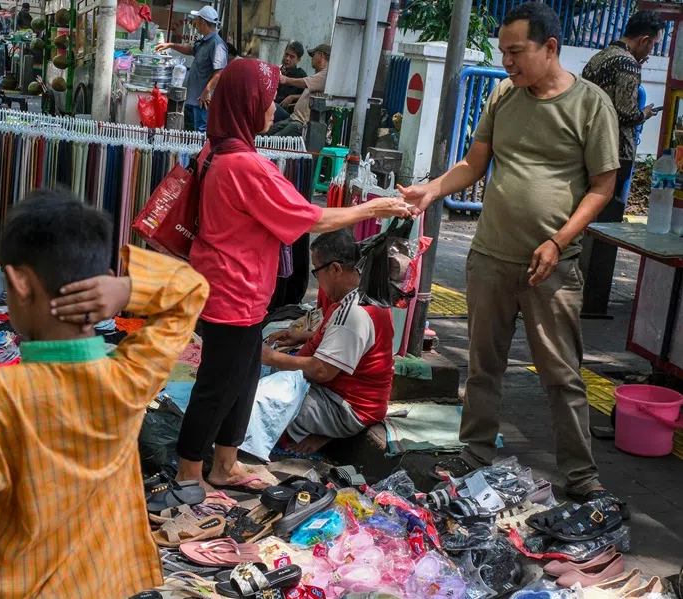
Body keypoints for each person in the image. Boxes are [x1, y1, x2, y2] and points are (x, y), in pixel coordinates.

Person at [0, 190, 208, 598]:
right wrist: (127, 290)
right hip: (99, 587)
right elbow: (191, 290)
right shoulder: (130, 378)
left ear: (20, 284)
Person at [398, 3, 620, 503]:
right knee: (484, 365)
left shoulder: (592, 105)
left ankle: (581, 475)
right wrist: (431, 189)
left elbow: (603, 188)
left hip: (553, 266)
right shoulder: (503, 95)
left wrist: (557, 240)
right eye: (503, 52)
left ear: (551, 48)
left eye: (516, 52)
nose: (508, 63)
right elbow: (476, 162)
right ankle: (475, 452)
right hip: (491, 257)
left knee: (561, 374)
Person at [156, 58, 411, 491]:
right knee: (218, 387)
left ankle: (225, 464)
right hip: (232, 292)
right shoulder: (244, 165)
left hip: (237, 289)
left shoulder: (218, 150)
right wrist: (375, 208)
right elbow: (307, 217)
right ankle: (189, 476)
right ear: (247, 103)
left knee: (242, 377)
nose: (274, 107)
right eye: (268, 99)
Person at [262, 229, 395, 454]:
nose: (318, 279)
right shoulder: (361, 295)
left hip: (346, 407)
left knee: (260, 398)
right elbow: (339, 339)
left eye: (317, 271)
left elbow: (323, 370)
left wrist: (273, 357)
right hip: (342, 395)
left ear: (335, 269)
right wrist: (302, 337)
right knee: (264, 376)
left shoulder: (354, 312)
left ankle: (325, 432)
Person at [580, 11, 663, 315]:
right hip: (613, 151)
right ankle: (592, 300)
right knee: (605, 226)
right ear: (643, 39)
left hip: (586, 148)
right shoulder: (627, 63)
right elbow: (626, 112)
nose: (650, 52)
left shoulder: (600, 57)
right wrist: (646, 114)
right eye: (652, 46)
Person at [155, 6, 228, 132]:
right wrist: (170, 45)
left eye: (197, 20)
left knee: (200, 135)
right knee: (190, 136)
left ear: (203, 22)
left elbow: (220, 72)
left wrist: (207, 91)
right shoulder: (205, 41)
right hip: (192, 100)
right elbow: (190, 49)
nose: (195, 24)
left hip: (202, 102)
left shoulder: (217, 44)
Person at [268, 43, 330, 137]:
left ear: (321, 55)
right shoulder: (318, 75)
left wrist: (286, 80)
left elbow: (304, 82)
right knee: (264, 135)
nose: (312, 58)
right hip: (293, 118)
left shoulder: (326, 75)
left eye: (314, 55)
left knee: (273, 141)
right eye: (286, 54)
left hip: (300, 123)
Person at [273, 41, 308, 122]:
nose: (287, 59)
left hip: (288, 115)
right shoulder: (276, 70)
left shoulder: (301, 75)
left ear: (298, 59)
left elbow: (308, 95)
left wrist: (292, 97)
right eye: (286, 54)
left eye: (292, 57)